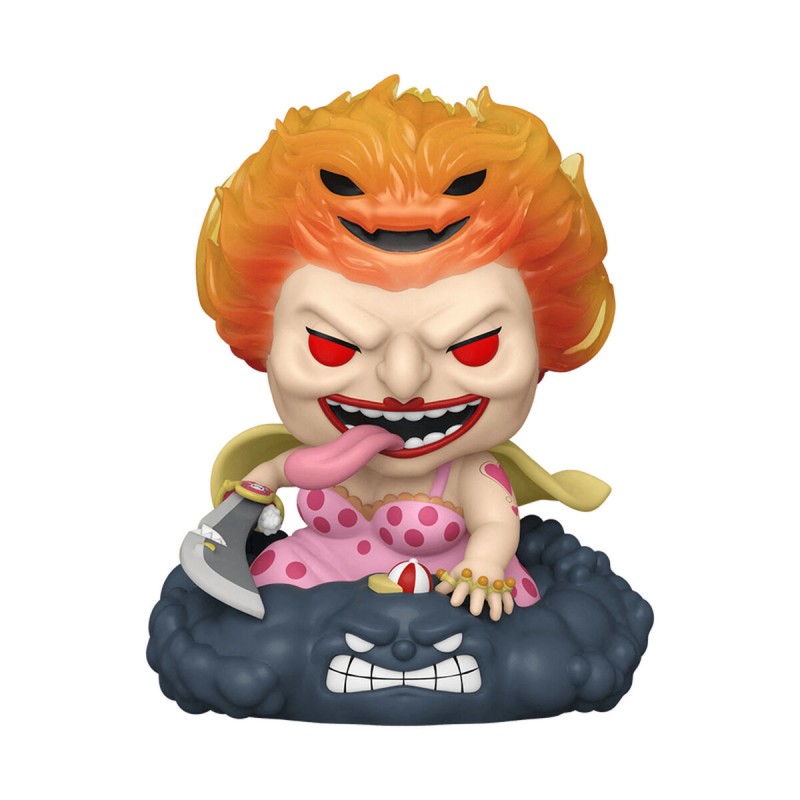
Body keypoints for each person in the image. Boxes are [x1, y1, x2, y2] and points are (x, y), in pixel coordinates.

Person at [193, 76, 614, 622]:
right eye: (332, 347)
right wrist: (256, 492)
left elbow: (495, 525)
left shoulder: (469, 473)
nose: (403, 381)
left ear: (541, 347)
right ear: (264, 342)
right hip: (309, 582)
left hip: (446, 598)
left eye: (475, 346)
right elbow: (275, 472)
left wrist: (483, 566)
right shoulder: (326, 457)